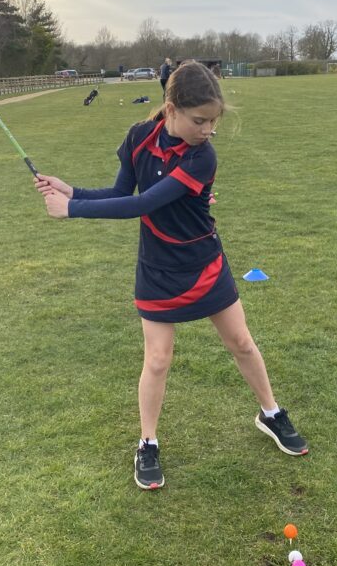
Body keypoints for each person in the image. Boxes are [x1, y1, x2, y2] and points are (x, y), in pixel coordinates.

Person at [35, 60, 308, 490]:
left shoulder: (202, 155)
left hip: (203, 263)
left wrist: (71, 211)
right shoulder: (139, 137)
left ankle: (271, 413)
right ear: (171, 108)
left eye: (213, 121)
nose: (208, 129)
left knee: (241, 342)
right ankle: (147, 443)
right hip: (158, 268)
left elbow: (147, 205)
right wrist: (74, 191)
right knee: (158, 359)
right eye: (200, 120)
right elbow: (122, 193)